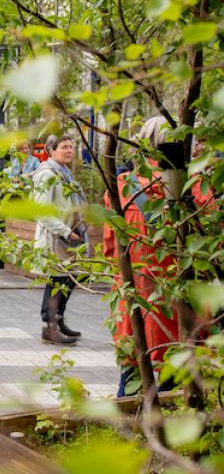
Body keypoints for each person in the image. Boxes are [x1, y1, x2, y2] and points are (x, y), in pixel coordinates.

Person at [103, 117, 180, 395]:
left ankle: (126, 424)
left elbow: (110, 247)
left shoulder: (122, 185)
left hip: (132, 292)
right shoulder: (189, 189)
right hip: (174, 302)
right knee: (175, 375)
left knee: (132, 363)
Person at [32, 134, 87, 345]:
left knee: (69, 279)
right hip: (57, 236)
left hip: (70, 236)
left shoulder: (65, 174)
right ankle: (49, 326)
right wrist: (65, 231)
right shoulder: (47, 174)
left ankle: (59, 320)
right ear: (51, 151)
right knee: (57, 281)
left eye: (71, 147)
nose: (69, 150)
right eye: (64, 147)